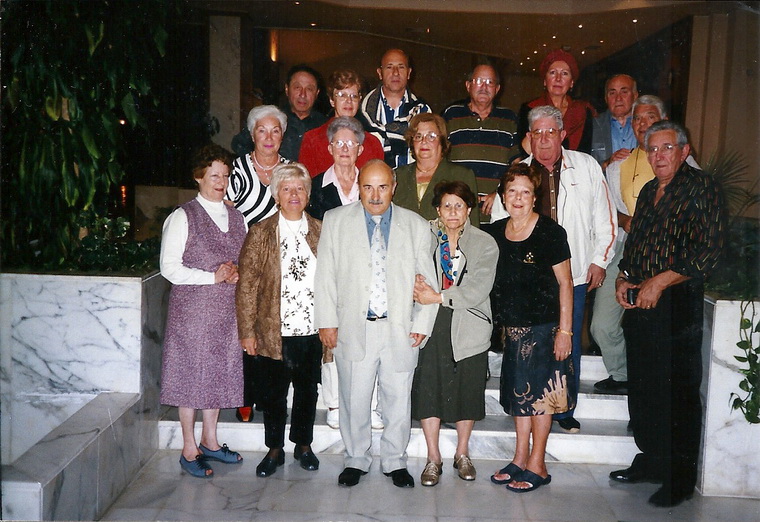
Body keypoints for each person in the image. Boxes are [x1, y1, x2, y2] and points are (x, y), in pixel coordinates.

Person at [611, 121, 724, 507]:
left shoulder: (701, 187)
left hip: (677, 302)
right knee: (644, 388)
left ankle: (678, 478)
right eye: (652, 149)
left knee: (677, 391)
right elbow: (636, 243)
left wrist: (660, 282)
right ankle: (652, 460)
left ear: (683, 150)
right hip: (641, 301)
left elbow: (709, 251)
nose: (658, 156)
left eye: (666, 148)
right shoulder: (647, 191)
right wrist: (623, 277)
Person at [491, 105, 617, 433]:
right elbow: (498, 223)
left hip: (572, 275)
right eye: (538, 133)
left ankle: (564, 409)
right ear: (529, 138)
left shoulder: (586, 166)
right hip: (527, 280)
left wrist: (599, 260)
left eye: (551, 132)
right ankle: (524, 405)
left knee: (566, 342)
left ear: (562, 135)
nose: (545, 138)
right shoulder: (518, 172)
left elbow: (605, 217)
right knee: (525, 350)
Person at [314, 159, 438, 488]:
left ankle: (395, 460)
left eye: (382, 187)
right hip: (354, 326)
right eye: (368, 187)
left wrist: (422, 323)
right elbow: (325, 276)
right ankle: (356, 458)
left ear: (393, 188)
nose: (375, 195)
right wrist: (326, 321)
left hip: (400, 328)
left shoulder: (415, 225)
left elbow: (428, 279)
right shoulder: (336, 220)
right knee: (354, 397)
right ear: (358, 187)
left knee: (398, 398)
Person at [591, 95, 699, 395]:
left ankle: (648, 384)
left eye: (649, 116)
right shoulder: (618, 165)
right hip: (627, 250)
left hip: (671, 255)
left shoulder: (685, 164)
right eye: (636, 118)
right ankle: (623, 374)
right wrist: (625, 219)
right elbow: (606, 209)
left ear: (663, 120)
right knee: (602, 324)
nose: (642, 123)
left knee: (656, 329)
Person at [159, 144, 246, 478]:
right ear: (198, 177)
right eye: (214, 176)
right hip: (192, 312)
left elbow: (242, 259)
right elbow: (169, 268)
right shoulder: (183, 216)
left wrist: (236, 273)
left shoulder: (236, 216)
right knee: (191, 375)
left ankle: (210, 441)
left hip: (226, 312)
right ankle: (188, 448)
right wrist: (212, 277)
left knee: (218, 373)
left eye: (225, 175)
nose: (221, 182)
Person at [487, 163, 574, 493]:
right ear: (503, 197)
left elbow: (565, 284)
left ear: (535, 197)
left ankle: (538, 464)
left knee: (540, 400)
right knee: (518, 398)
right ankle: (520, 457)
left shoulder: (551, 232)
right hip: (512, 332)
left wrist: (565, 332)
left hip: (544, 330)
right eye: (512, 191)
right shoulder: (495, 232)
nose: (518, 198)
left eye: (525, 192)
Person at [236, 163, 323, 477]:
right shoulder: (261, 232)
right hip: (273, 329)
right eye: (286, 189)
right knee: (274, 395)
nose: (294, 194)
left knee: (307, 392)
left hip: (311, 329)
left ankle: (303, 445)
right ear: (277, 195)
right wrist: (247, 331)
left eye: (300, 188)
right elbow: (247, 285)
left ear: (308, 194)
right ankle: (274, 449)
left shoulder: (321, 230)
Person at [411, 181, 498, 487]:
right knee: (429, 388)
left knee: (467, 390)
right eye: (446, 205)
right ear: (438, 209)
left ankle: (462, 454)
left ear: (469, 209)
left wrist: (437, 296)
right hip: (431, 321)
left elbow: (478, 288)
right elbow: (409, 269)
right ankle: (433, 458)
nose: (452, 212)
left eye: (458, 206)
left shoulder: (485, 242)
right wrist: (416, 285)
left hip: (469, 322)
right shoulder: (423, 235)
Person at [306, 116, 385, 431]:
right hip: (332, 275)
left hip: (371, 277)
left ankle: (372, 406)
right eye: (338, 142)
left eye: (350, 143)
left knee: (372, 339)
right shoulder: (315, 187)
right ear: (329, 148)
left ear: (360, 149)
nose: (344, 148)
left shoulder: (371, 185)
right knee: (332, 341)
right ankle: (335, 404)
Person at [226, 104, 291, 423]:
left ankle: (269, 397)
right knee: (248, 329)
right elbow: (226, 216)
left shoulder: (290, 169)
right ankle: (245, 397)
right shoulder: (238, 169)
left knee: (274, 332)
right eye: (262, 130)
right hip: (245, 262)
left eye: (275, 130)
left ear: (282, 135)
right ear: (252, 135)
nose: (268, 137)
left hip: (280, 263)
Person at [442, 64, 519, 197]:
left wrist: (499, 193)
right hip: (458, 202)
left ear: (497, 89)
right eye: (478, 81)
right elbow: (439, 159)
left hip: (496, 204)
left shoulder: (509, 119)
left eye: (490, 82)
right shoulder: (451, 115)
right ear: (468, 86)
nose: (484, 87)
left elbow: (517, 164)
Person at [393, 113, 480, 225]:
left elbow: (472, 225)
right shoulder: (398, 175)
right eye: (418, 136)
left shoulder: (462, 175)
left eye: (431, 136)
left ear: (442, 141)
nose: (424, 141)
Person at [298, 69, 384, 177]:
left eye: (354, 96)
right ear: (332, 100)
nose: (349, 101)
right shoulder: (312, 140)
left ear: (359, 100)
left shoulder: (372, 143)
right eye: (342, 95)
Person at [357, 49, 431, 169]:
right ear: (380, 73)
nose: (395, 73)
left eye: (401, 67)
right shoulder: (360, 114)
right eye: (389, 67)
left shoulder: (423, 112)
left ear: (409, 73)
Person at [517, 49, 596, 157]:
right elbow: (523, 151)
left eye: (564, 73)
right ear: (545, 81)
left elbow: (585, 153)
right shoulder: (529, 109)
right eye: (553, 72)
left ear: (571, 83)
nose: (558, 79)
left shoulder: (583, 112)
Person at [279, 65, 328, 161]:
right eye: (297, 87)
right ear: (287, 89)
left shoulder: (326, 125)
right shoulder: (273, 120)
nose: (303, 94)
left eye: (309, 89)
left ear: (317, 93)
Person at [591, 74, 639, 171]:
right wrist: (607, 164)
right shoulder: (592, 126)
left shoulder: (646, 125)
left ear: (635, 96)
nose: (618, 98)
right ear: (606, 98)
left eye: (624, 92)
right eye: (612, 93)